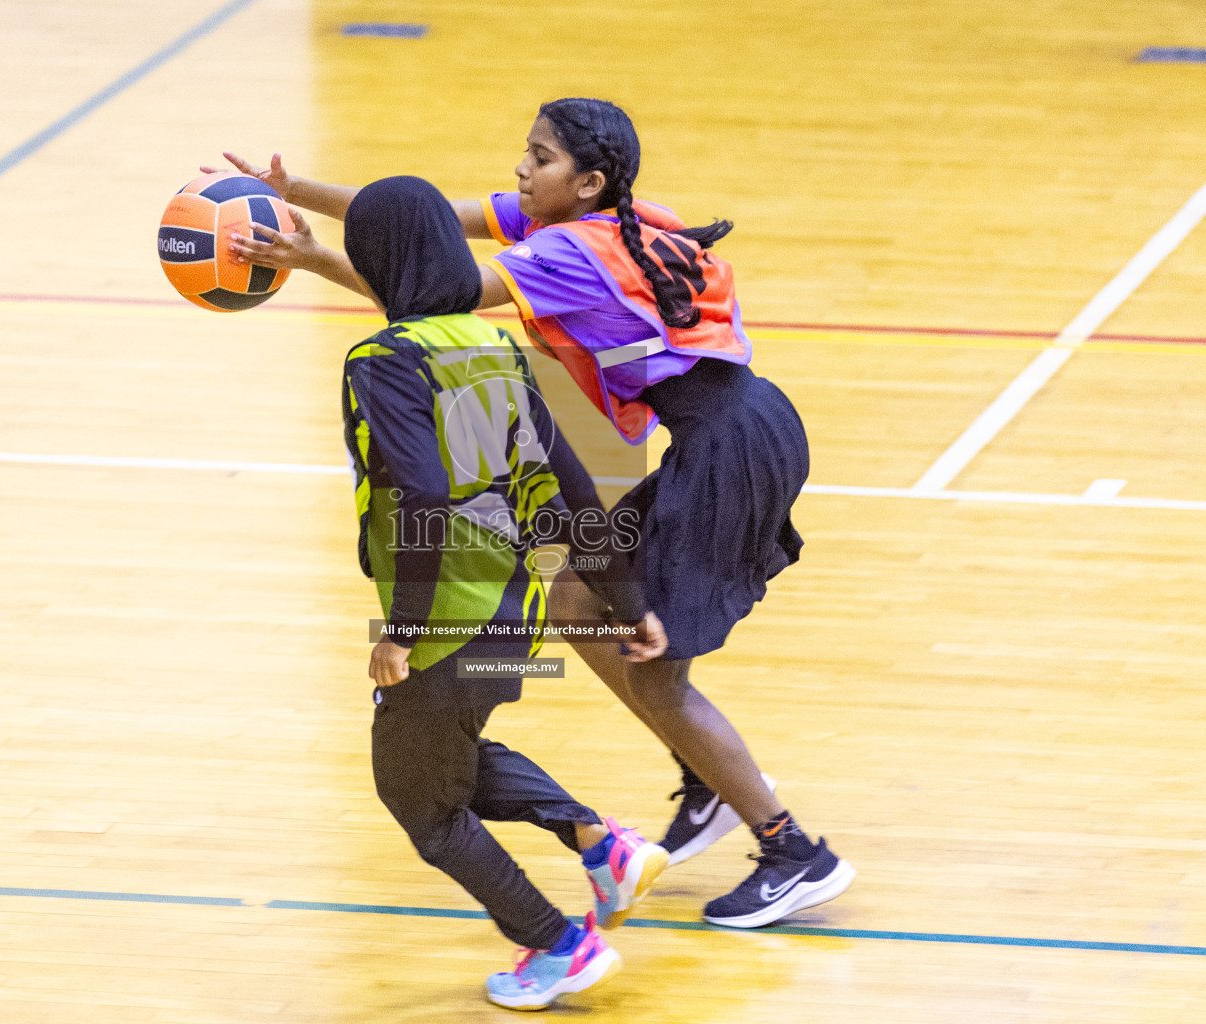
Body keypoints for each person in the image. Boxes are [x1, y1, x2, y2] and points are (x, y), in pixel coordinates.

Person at [214, 97, 854, 928]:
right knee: (584, 601)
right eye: (527, 151)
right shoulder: (625, 213)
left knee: (650, 664)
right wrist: (297, 187)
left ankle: (792, 849)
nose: (522, 168)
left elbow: (432, 291)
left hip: (728, 446)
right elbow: (428, 218)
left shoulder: (564, 255)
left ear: (585, 181)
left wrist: (313, 260)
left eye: (540, 158)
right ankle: (707, 778)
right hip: (747, 424)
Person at [335, 174, 669, 1009]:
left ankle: (559, 944)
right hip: (515, 616)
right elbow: (573, 486)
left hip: (448, 620)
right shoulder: (494, 347)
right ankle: (602, 845)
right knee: (448, 759)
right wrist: (626, 603)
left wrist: (402, 631)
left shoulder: (384, 360)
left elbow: (419, 491)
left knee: (419, 800)